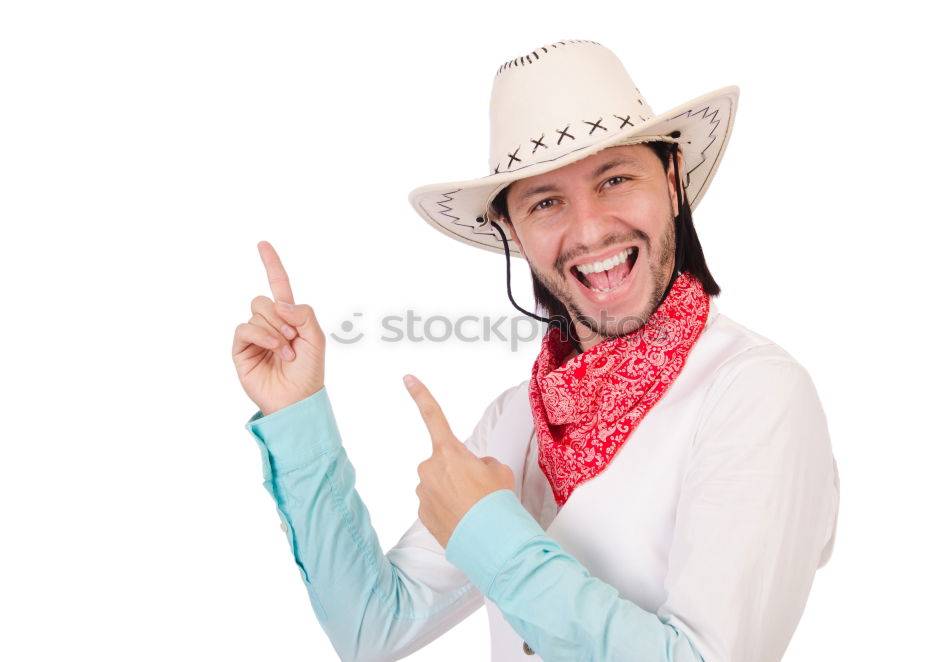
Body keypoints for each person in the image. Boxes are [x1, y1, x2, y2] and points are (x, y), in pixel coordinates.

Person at [232, 40, 840, 662]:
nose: (590, 229)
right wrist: (297, 416)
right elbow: (371, 628)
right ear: (513, 232)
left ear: (674, 182)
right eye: (546, 202)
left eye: (616, 178)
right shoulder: (517, 418)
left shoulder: (757, 395)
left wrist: (488, 534)